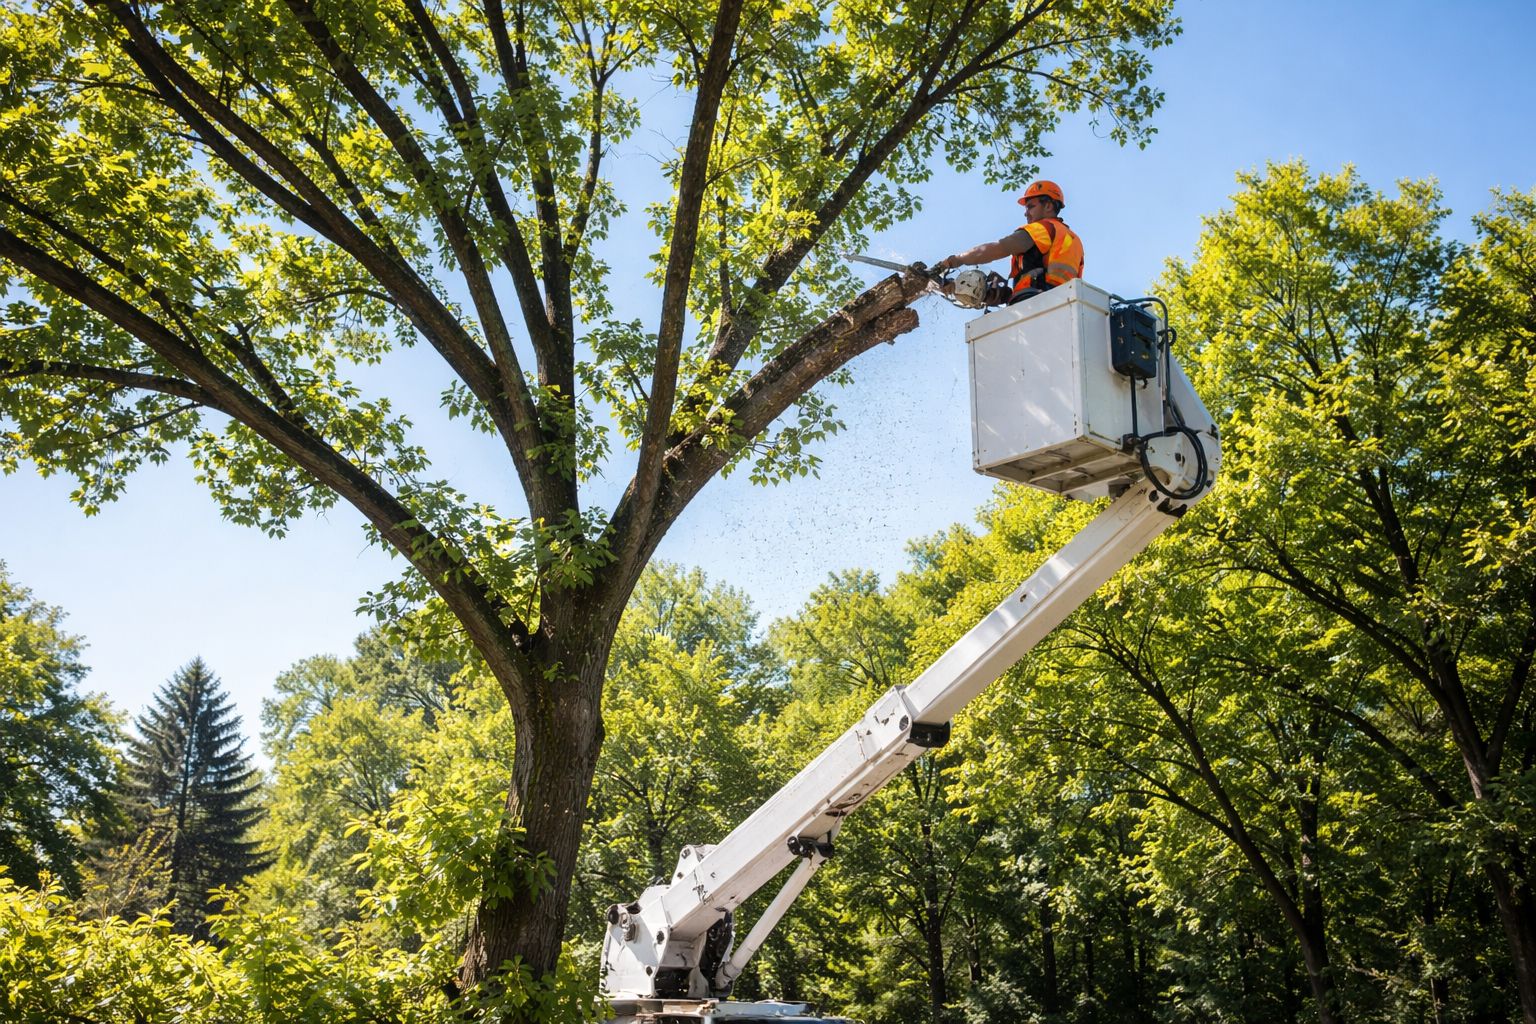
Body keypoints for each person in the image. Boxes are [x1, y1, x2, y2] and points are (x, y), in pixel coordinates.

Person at [934, 181, 1085, 306]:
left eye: (1031, 206)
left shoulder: (1044, 228)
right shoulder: (1073, 239)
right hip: (1064, 304)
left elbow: (997, 249)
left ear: (1049, 206)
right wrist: (1004, 295)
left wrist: (955, 261)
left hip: (1037, 303)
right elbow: (1049, 278)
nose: (1026, 213)